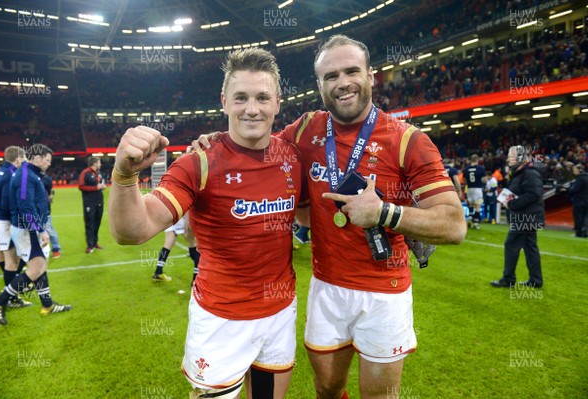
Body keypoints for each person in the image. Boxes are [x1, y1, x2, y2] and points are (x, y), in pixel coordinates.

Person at [194, 35, 466, 399]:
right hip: (327, 288)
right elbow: (255, 141)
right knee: (327, 389)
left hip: (385, 293)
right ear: (320, 85)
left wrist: (386, 212)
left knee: (379, 396)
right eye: (330, 75)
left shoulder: (407, 140)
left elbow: (453, 224)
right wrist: (219, 141)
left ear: (371, 76)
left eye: (351, 71)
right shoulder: (305, 130)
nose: (342, 82)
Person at [108, 48, 305, 399]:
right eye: (240, 97)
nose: (252, 108)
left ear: (277, 101)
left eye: (262, 97)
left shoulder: (292, 155)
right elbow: (133, 231)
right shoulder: (197, 163)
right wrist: (124, 175)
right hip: (220, 320)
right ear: (224, 102)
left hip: (278, 314)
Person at [0, 144, 71, 325]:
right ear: (38, 158)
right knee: (36, 269)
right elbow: (25, 206)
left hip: (26, 228)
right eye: (47, 160)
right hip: (27, 229)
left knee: (40, 265)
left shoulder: (27, 173)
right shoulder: (26, 175)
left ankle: (47, 304)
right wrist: (40, 230)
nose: (49, 164)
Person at [491, 145, 545, 289]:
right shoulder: (523, 172)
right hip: (528, 216)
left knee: (511, 245)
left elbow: (534, 194)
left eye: (511, 156)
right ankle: (535, 280)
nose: (508, 159)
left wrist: (513, 204)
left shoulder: (529, 173)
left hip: (526, 217)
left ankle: (508, 279)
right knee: (530, 247)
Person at [0, 146, 32, 308]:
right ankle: (11, 298)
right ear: (18, 159)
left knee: (13, 259)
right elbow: (10, 202)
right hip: (7, 221)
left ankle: (12, 294)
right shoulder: (11, 175)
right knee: (11, 262)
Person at [79, 156, 106, 253]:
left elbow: (99, 185)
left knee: (97, 223)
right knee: (89, 224)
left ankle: (95, 242)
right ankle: (89, 245)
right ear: (94, 163)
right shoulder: (85, 173)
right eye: (99, 162)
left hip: (99, 201)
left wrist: (102, 187)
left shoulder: (98, 173)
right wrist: (96, 187)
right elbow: (81, 186)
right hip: (89, 203)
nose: (100, 164)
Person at [463, 154, 487, 230]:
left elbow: (465, 181)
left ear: (471, 160)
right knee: (477, 206)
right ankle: (476, 224)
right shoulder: (481, 168)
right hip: (477, 189)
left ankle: (469, 220)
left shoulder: (466, 169)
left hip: (469, 189)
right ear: (477, 160)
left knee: (471, 204)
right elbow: (485, 180)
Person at [41, 172, 62, 258]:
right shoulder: (29, 177)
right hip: (33, 209)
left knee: (49, 230)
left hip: (45, 209)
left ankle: (56, 248)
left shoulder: (46, 179)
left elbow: (50, 193)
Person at [569, 164, 588, 238]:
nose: (573, 171)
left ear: (580, 170)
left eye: (575, 170)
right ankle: (585, 231)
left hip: (579, 201)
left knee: (578, 217)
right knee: (586, 217)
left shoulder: (580, 179)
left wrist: (568, 190)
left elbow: (574, 190)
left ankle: (579, 233)